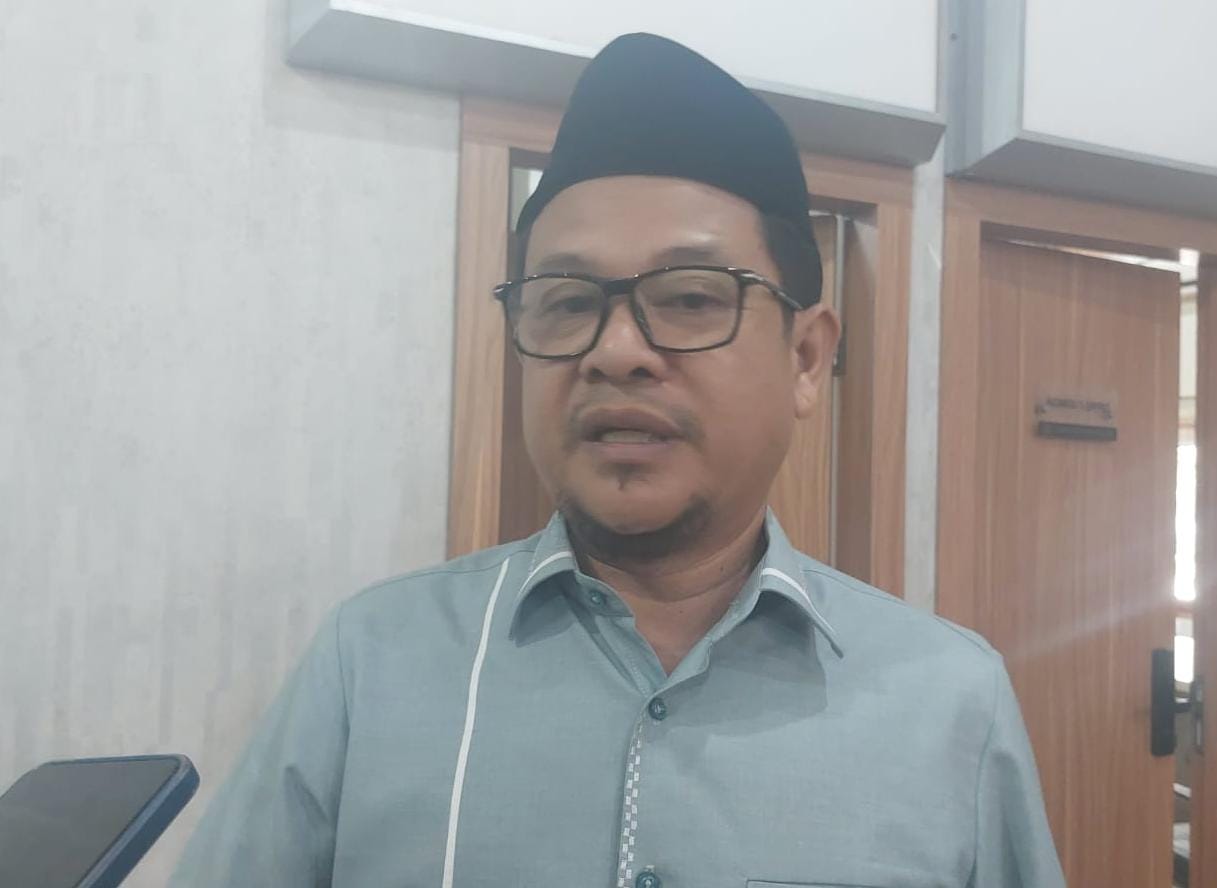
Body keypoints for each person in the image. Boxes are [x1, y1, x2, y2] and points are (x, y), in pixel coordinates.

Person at [171, 33, 1065, 888]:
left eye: (690, 298)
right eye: (566, 303)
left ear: (805, 359)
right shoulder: (371, 664)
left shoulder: (948, 701)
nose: (616, 351)